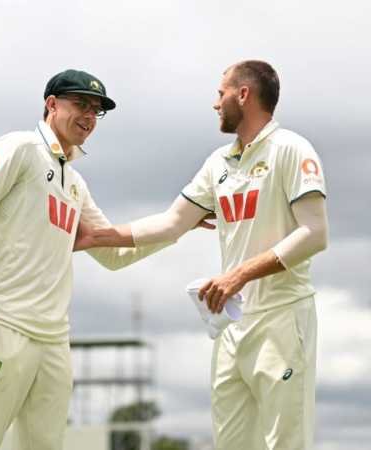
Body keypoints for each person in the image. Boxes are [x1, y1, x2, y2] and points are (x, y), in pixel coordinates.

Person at [78, 60, 328, 449]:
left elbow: (314, 234)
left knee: (286, 442)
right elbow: (171, 223)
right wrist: (96, 236)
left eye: (220, 92)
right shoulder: (219, 163)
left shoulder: (292, 149)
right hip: (233, 327)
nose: (215, 103)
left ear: (243, 94)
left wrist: (239, 274)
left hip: (283, 319)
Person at [0, 69, 169, 450]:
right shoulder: (19, 147)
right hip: (4, 324)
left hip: (53, 338)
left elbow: (112, 253)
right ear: (52, 104)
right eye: (80, 104)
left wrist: (177, 225)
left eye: (96, 110)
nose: (88, 116)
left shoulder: (76, 184)